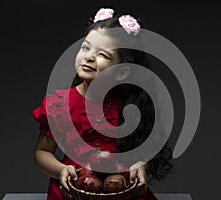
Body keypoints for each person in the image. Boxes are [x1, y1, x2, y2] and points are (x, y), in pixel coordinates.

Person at [32, 7, 173, 200]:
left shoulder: (129, 105)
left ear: (122, 72)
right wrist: (61, 170)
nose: (89, 56)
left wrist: (142, 165)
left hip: (120, 191)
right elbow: (42, 152)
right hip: (72, 192)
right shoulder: (60, 104)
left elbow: (144, 151)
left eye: (103, 55)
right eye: (85, 47)